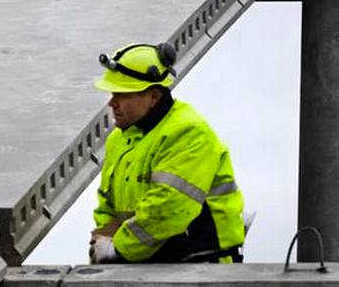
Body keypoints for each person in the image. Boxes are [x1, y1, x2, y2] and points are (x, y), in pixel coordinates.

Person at [89, 42, 245, 264]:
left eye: (122, 94)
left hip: (200, 269)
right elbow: (107, 205)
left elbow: (168, 208)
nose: (112, 103)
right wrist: (102, 243)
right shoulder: (119, 139)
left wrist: (117, 248)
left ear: (153, 96)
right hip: (142, 265)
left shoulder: (188, 133)